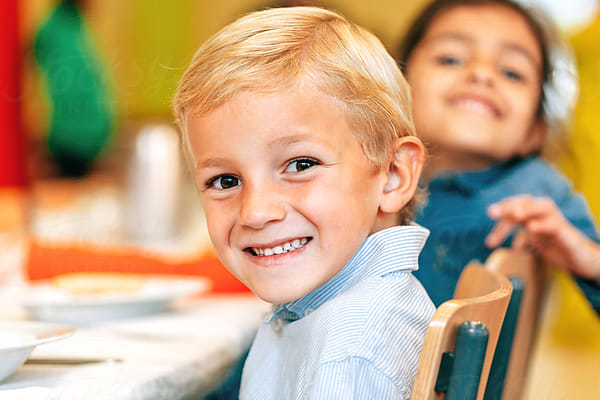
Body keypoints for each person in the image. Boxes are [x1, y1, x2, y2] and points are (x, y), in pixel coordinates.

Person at [172, 6, 435, 399]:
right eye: (225, 180)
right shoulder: (343, 303)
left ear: (393, 174)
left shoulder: (351, 348)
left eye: (300, 164)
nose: (256, 211)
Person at [395, 0, 600, 313]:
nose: (481, 74)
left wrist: (585, 255)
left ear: (535, 130)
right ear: (395, 87)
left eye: (511, 72)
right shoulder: (364, 171)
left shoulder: (538, 191)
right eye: (451, 58)